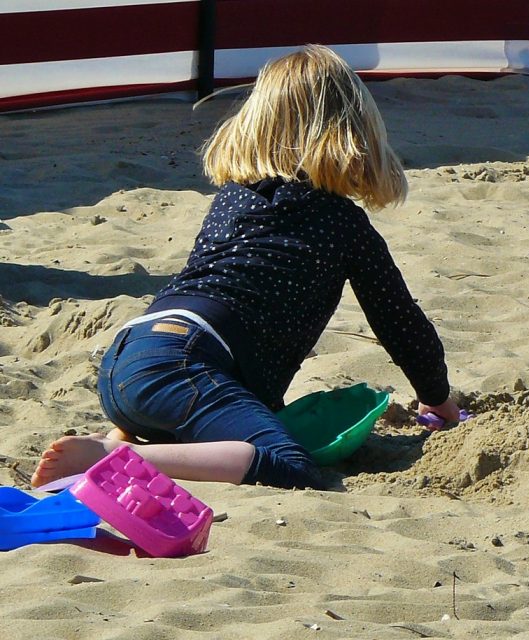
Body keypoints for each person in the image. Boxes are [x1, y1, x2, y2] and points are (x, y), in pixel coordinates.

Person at [31, 45, 461, 490]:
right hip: (183, 365)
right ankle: (120, 453)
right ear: (356, 133)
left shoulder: (233, 199)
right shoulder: (343, 223)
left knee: (214, 413)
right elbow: (399, 321)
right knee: (288, 463)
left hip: (127, 360)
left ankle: (131, 431)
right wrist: (437, 398)